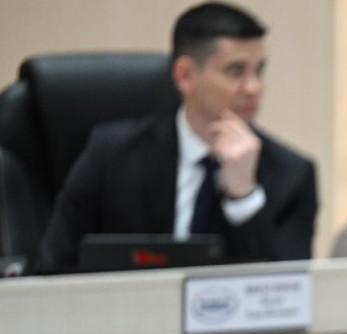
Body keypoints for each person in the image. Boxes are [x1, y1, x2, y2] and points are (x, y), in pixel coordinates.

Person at [36, 2, 317, 273]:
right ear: (185, 76)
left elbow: (288, 290)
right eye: (236, 71)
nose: (254, 87)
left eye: (259, 70)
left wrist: (244, 198)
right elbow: (52, 269)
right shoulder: (111, 156)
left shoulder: (292, 175)